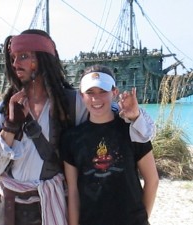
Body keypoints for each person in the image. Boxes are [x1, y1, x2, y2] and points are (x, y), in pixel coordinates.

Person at [0, 29, 156, 225]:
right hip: (12, 211)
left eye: (24, 57)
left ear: (43, 60)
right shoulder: (4, 109)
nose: (16, 64)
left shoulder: (72, 103)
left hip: (55, 208)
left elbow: (135, 126)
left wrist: (134, 114)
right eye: (13, 58)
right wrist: (10, 126)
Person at [60, 65, 159, 225]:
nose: (96, 99)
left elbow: (152, 180)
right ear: (81, 95)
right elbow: (73, 191)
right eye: (90, 93)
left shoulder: (134, 129)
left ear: (114, 92)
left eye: (103, 91)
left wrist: (141, 218)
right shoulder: (71, 138)